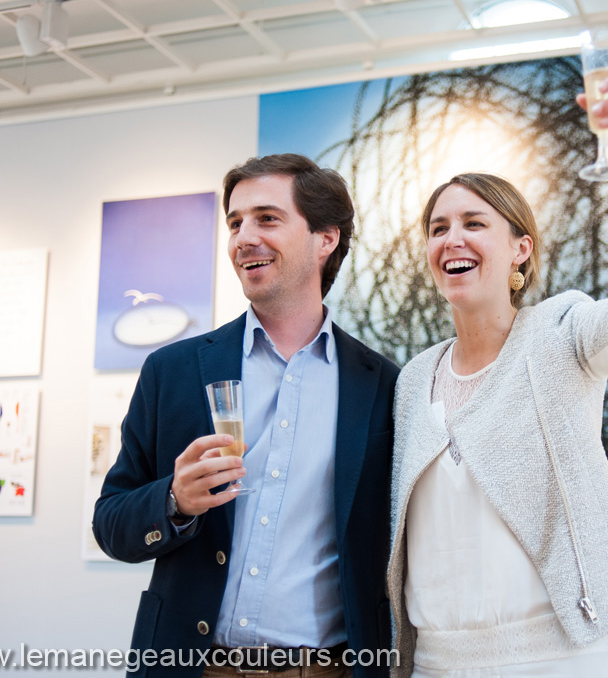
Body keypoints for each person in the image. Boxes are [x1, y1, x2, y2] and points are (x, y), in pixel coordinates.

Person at [386, 71, 608, 677]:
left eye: (474, 223)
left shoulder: (563, 334)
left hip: (560, 659)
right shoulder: (412, 381)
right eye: (438, 228)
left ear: (521, 249)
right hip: (432, 665)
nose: (452, 237)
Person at [94, 154, 400, 678]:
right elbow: (111, 523)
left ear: (325, 238)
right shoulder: (173, 371)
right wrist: (173, 501)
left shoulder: (382, 386)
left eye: (267, 218)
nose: (243, 238)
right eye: (235, 223)